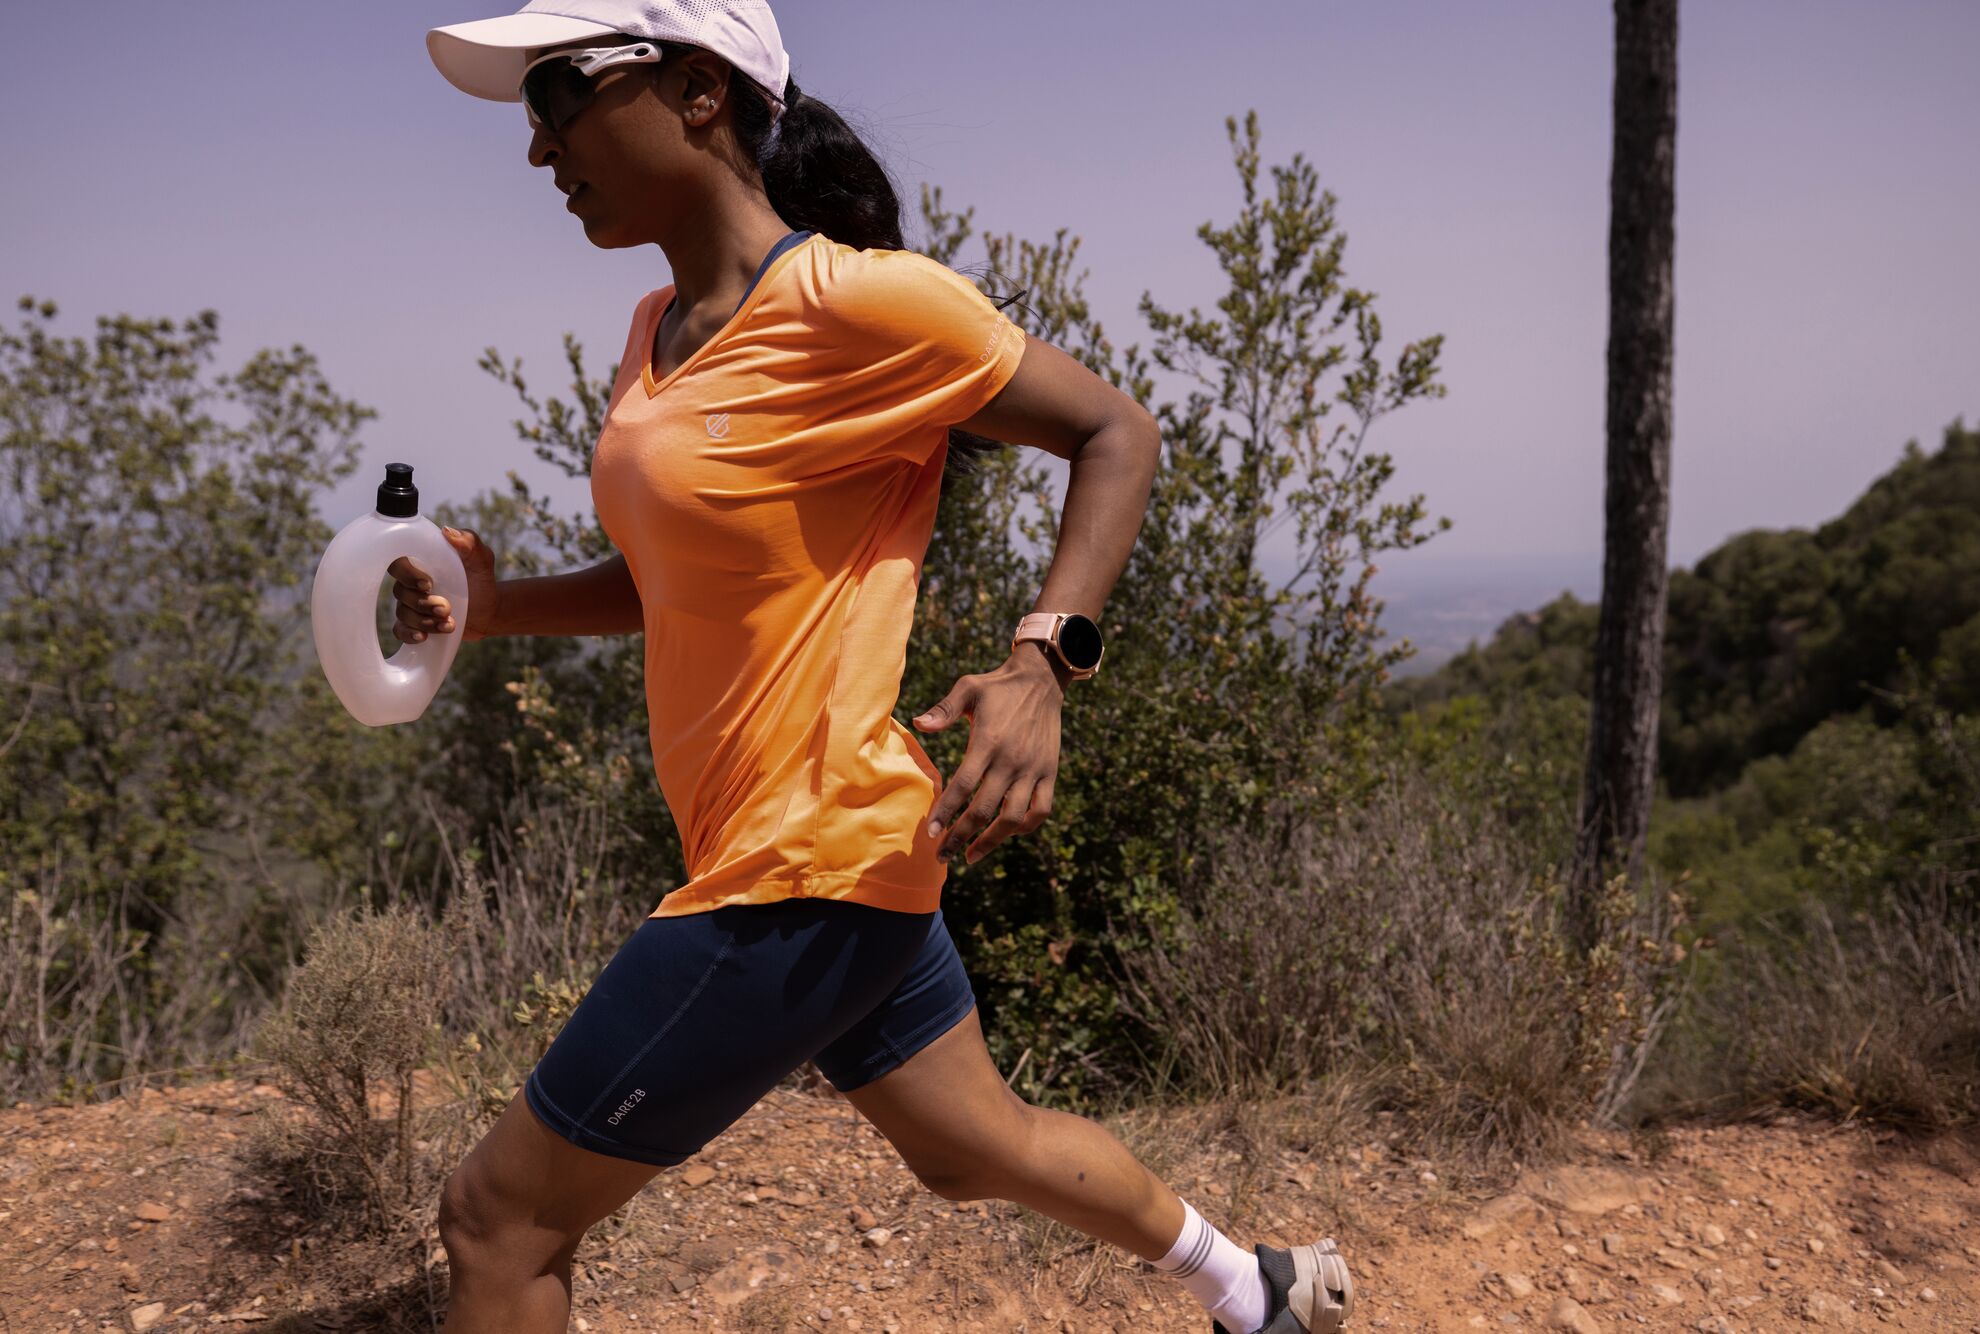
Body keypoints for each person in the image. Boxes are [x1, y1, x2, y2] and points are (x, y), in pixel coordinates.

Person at [405, 2, 1354, 1330]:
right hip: (829, 853)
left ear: (695, 90)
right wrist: (497, 611)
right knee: (975, 1148)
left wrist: (1043, 665)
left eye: (560, 91)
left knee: (497, 1222)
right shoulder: (655, 332)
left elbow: (1114, 432)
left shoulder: (855, 302)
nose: (537, 145)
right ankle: (1255, 1288)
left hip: (806, 863)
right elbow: (673, 581)